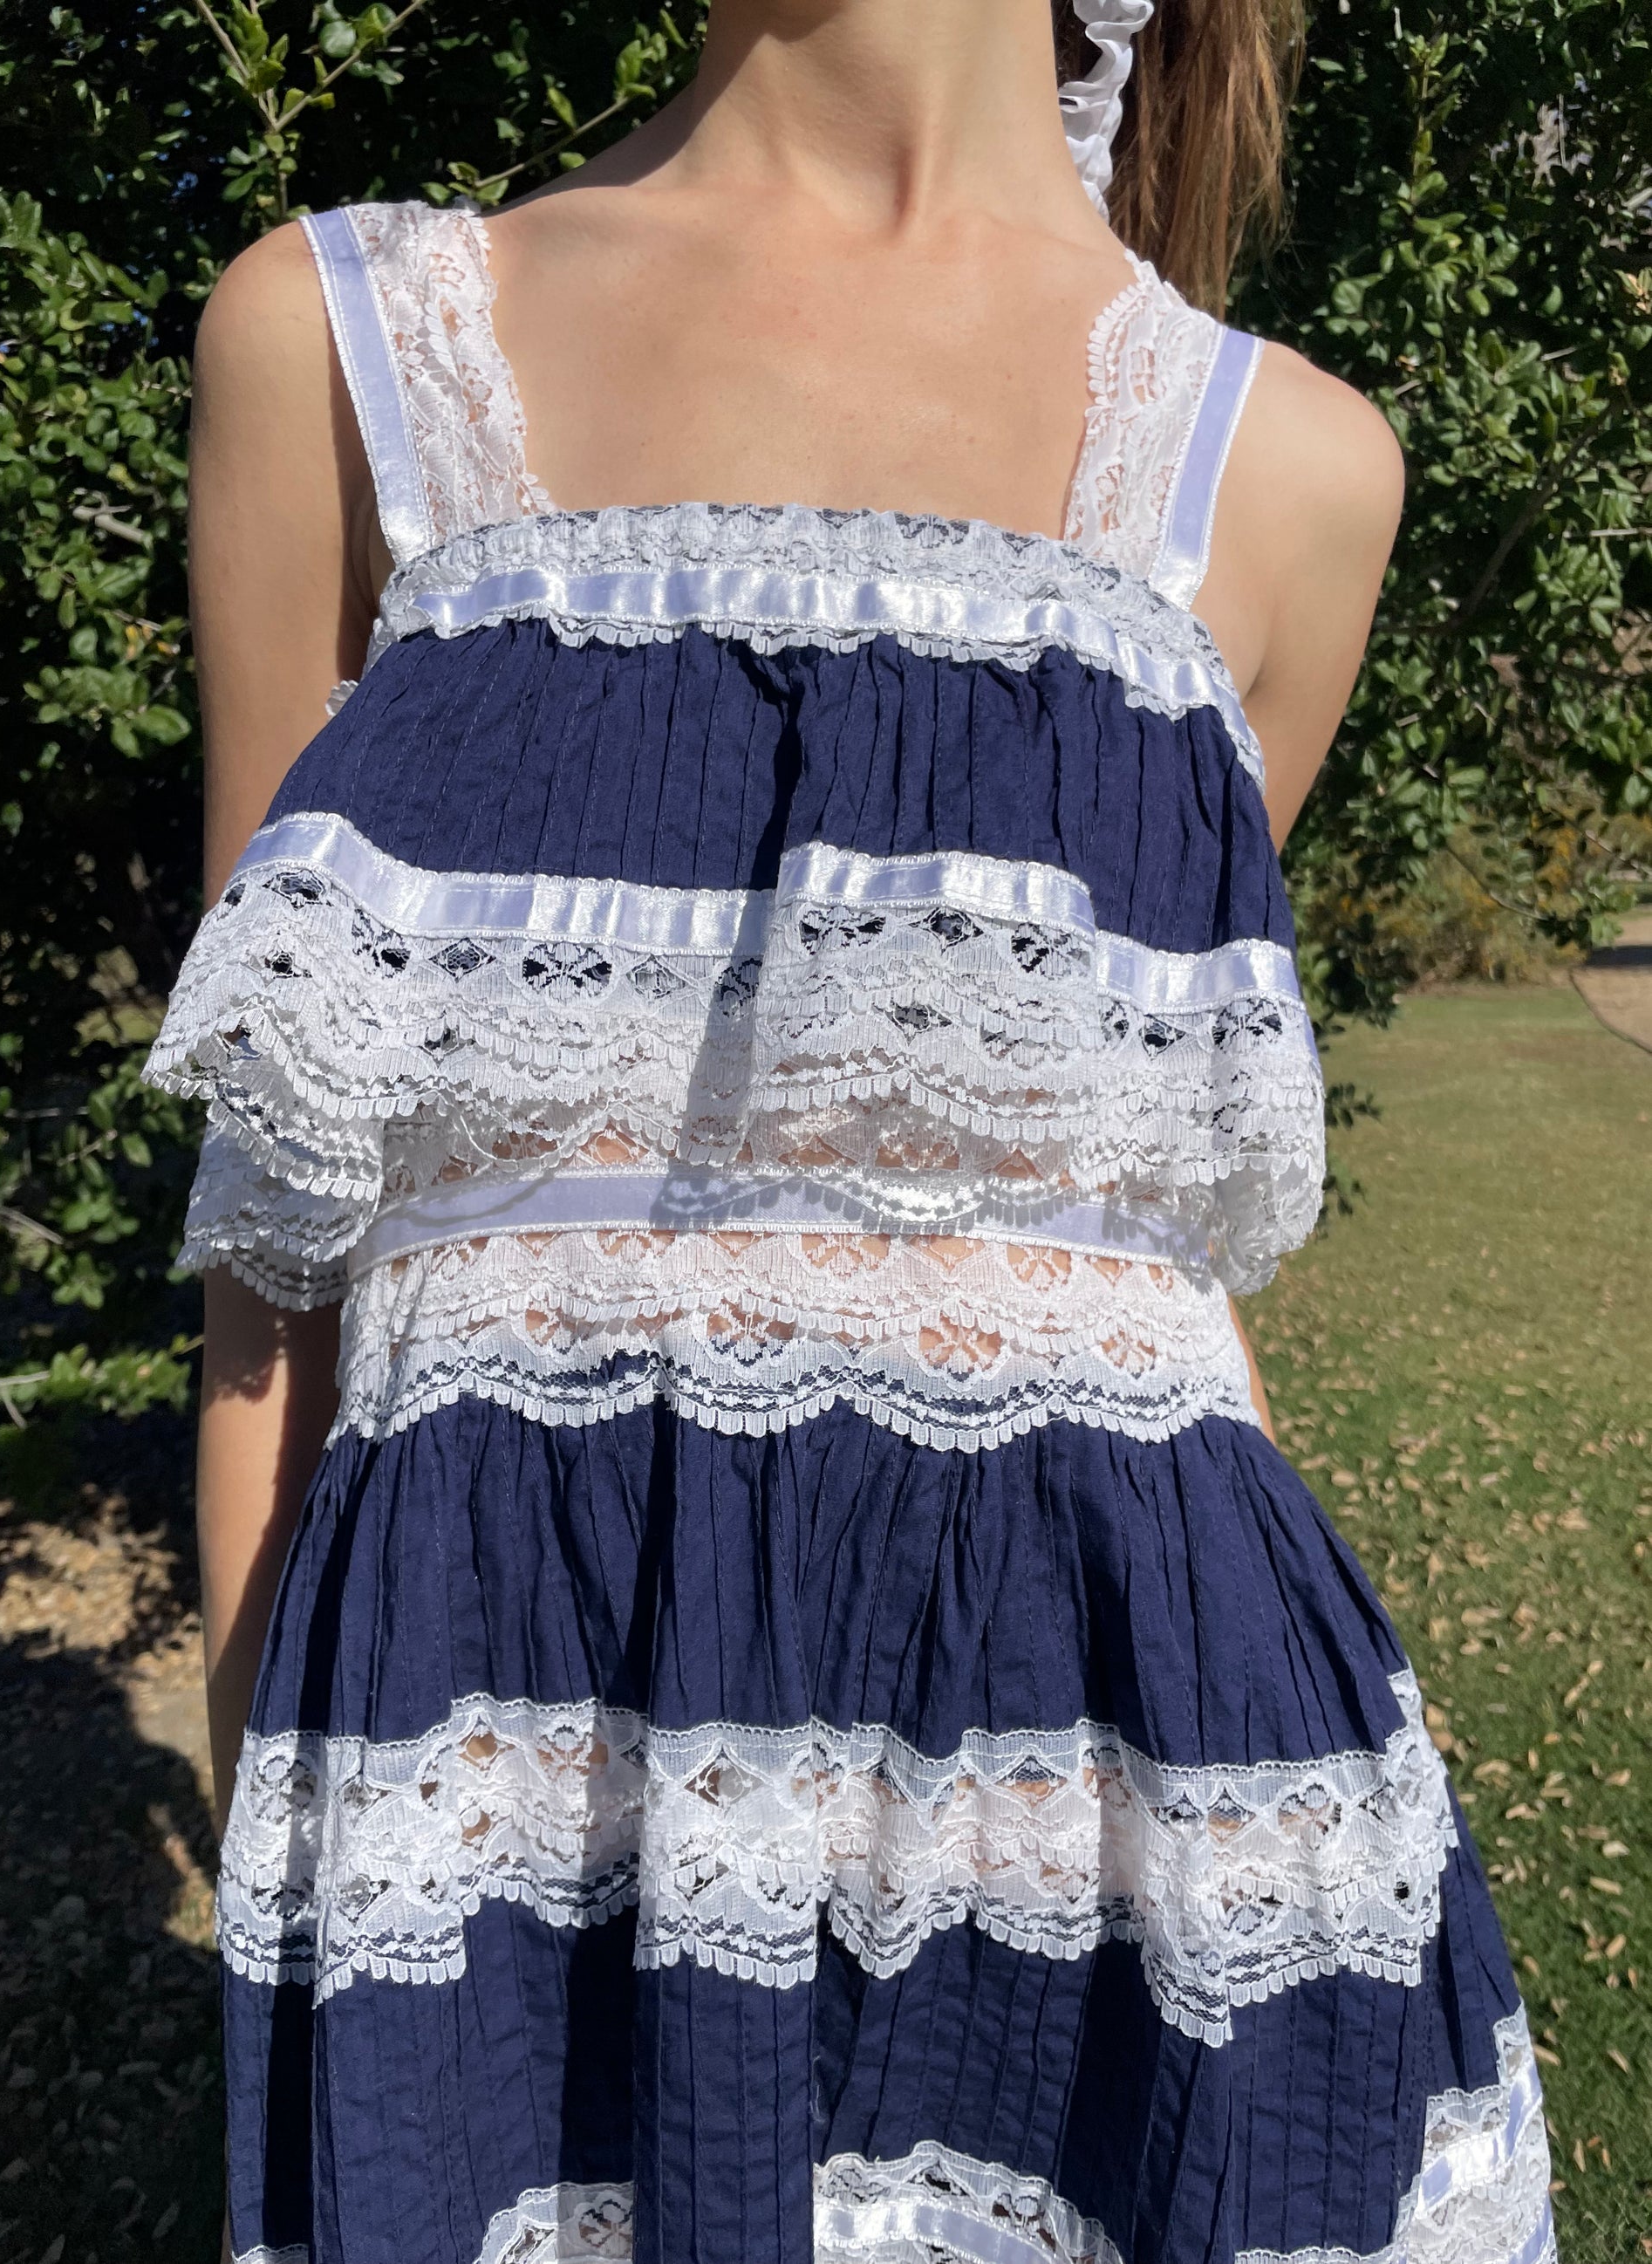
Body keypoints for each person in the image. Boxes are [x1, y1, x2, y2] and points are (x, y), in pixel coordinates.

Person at [149, 2, 1556, 2258]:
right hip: (494, 1885)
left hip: (1157, 1895)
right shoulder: (341, 347)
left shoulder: (1288, 472)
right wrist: (314, 1910)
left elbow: (1140, 1266)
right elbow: (270, 1284)